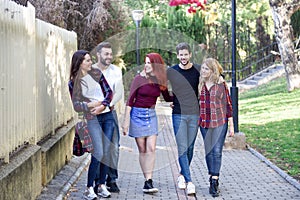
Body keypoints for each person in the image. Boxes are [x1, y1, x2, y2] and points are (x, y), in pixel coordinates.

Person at [122, 53, 172, 193]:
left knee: (151, 148)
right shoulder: (138, 79)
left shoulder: (160, 80)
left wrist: (180, 100)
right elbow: (130, 101)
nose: (146, 65)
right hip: (137, 115)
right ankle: (146, 179)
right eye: (146, 62)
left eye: (149, 63)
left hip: (151, 115)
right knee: (142, 150)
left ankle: (149, 181)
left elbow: (168, 97)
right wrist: (126, 122)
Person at [68, 50, 114, 199]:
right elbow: (76, 105)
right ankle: (89, 188)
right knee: (98, 152)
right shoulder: (73, 82)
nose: (90, 63)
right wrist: (91, 105)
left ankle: (101, 185)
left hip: (106, 115)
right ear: (79, 63)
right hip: (92, 118)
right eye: (87, 60)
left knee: (107, 152)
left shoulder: (96, 74)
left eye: (90, 60)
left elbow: (109, 92)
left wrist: (102, 105)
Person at [166, 42, 200, 195]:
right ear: (177, 55)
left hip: (194, 114)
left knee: (190, 147)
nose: (183, 57)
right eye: (181, 55)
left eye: (186, 54)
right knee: (182, 147)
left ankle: (181, 174)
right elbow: (161, 85)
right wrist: (169, 99)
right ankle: (189, 181)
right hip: (178, 113)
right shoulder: (172, 71)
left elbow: (214, 78)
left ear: (190, 55)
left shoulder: (198, 70)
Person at [198, 58, 234, 197]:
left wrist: (231, 125)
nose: (203, 71)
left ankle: (214, 181)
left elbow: (228, 105)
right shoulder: (200, 84)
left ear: (213, 70)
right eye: (202, 68)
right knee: (209, 151)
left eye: (206, 69)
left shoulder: (221, 84)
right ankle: (211, 174)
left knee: (217, 151)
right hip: (204, 122)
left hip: (220, 121)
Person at [93, 41, 124, 193]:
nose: (109, 57)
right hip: (95, 114)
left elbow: (119, 92)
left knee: (114, 147)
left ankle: (111, 179)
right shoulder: (90, 70)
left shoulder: (116, 71)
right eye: (106, 54)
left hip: (110, 112)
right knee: (98, 147)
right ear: (98, 54)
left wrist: (107, 104)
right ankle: (98, 179)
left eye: (111, 54)